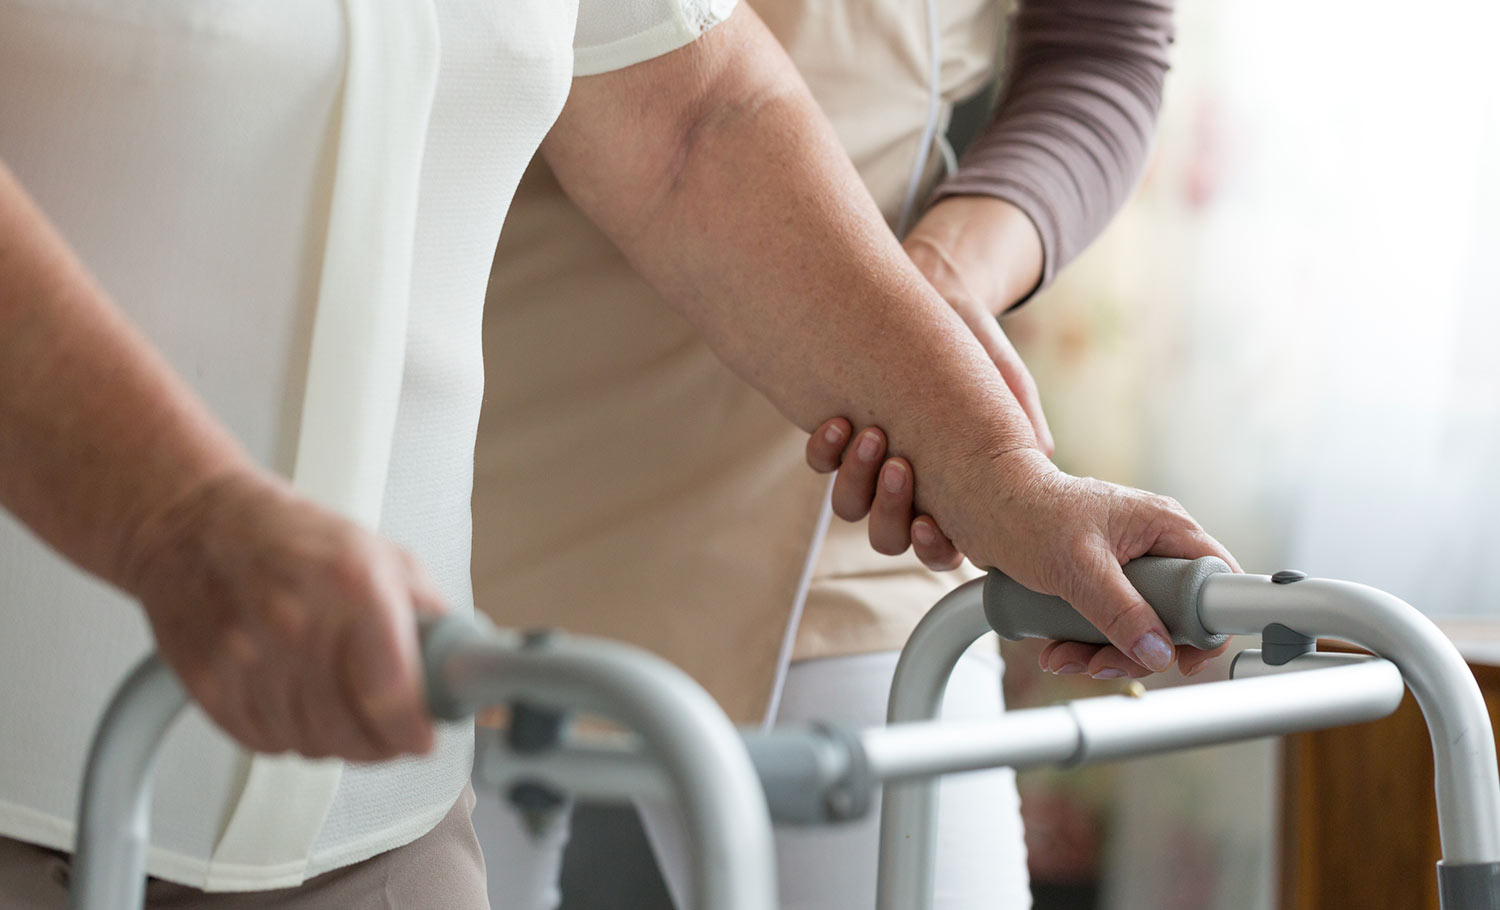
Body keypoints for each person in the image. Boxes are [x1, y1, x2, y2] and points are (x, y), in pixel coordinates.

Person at [0, 3, 1230, 910]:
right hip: (44, 777)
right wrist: (177, 522)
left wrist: (1003, 471)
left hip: (382, 813)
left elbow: (695, 119)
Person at [471, 0, 1231, 906]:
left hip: (859, 465)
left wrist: (940, 297)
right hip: (482, 425)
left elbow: (1103, 47)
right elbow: (688, 119)